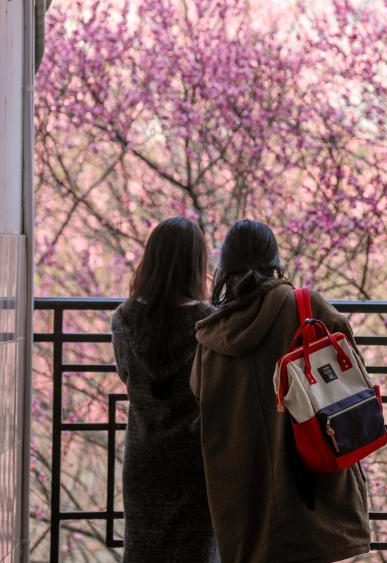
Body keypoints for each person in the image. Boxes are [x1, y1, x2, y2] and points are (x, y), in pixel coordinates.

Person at [191, 219, 371, 563]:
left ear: (226, 267)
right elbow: (353, 375)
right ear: (274, 260)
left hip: (246, 510)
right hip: (314, 498)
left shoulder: (211, 338)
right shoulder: (307, 309)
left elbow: (199, 393)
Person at [110, 216, 219, 562]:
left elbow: (126, 374)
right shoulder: (210, 322)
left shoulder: (124, 318)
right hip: (196, 458)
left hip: (144, 456)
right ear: (196, 264)